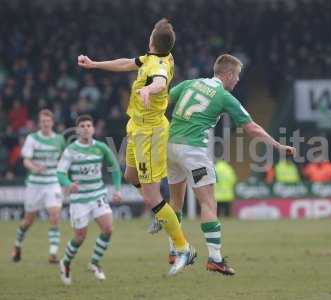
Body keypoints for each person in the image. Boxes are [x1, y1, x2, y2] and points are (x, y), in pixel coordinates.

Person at [155, 54, 295, 275]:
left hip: (171, 147)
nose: (238, 81)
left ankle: (174, 251)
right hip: (193, 151)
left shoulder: (190, 83)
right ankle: (215, 259)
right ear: (228, 74)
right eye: (237, 76)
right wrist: (278, 145)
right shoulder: (223, 96)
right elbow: (252, 129)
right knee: (209, 204)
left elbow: (161, 100)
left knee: (176, 202)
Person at [77, 18, 195, 276]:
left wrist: (149, 91)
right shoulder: (156, 57)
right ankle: (162, 212)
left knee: (152, 197)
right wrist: (95, 64)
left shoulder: (160, 64)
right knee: (131, 176)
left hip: (150, 133)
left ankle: (183, 247)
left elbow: (161, 81)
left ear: (152, 40)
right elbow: (126, 63)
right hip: (136, 127)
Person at [57, 115, 122, 285]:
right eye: (82, 126)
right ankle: (65, 262)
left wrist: (117, 189)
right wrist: (68, 183)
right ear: (78, 130)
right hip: (79, 199)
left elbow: (114, 167)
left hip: (98, 195)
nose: (86, 128)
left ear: (93, 129)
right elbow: (60, 173)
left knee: (108, 228)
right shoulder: (71, 150)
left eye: (89, 125)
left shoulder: (101, 147)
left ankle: (94, 263)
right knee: (80, 237)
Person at [11, 109, 65, 264]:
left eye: (48, 121)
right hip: (35, 184)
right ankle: (17, 245)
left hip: (52, 183)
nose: (46, 124)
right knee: (28, 221)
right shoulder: (32, 138)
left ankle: (53, 253)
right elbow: (26, 160)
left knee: (54, 216)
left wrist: (66, 179)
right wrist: (34, 167)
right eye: (43, 121)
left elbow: (64, 160)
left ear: (52, 122)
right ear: (39, 123)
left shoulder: (60, 139)